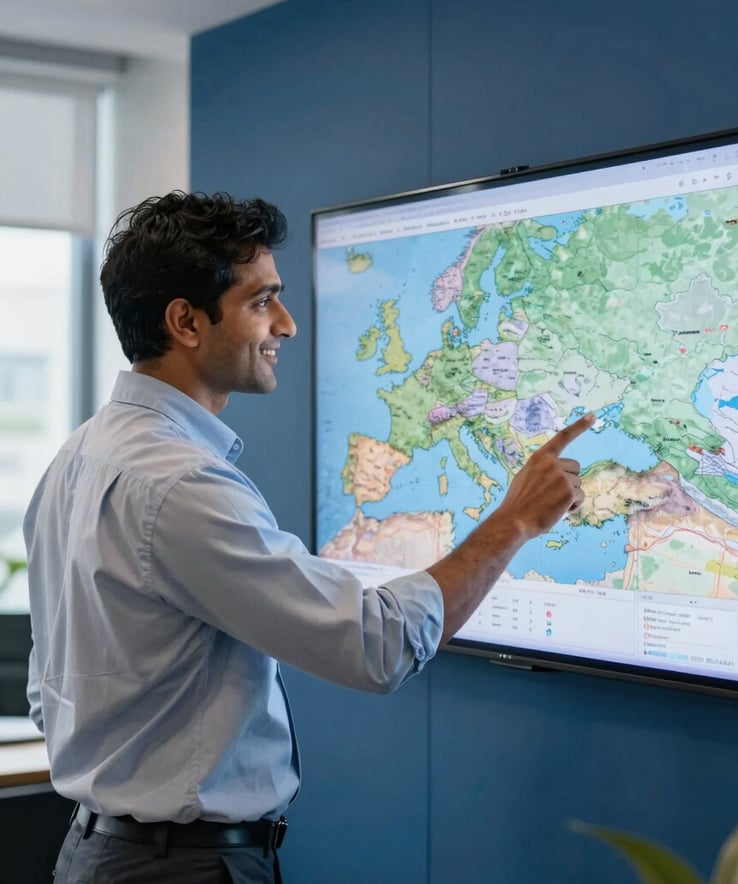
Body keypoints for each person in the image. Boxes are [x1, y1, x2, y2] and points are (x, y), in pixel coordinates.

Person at [24, 191, 594, 884]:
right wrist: (516, 521)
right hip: (178, 869)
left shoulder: (81, 456)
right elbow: (375, 647)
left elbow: (50, 689)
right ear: (186, 322)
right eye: (262, 301)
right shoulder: (178, 485)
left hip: (100, 853)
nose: (287, 325)